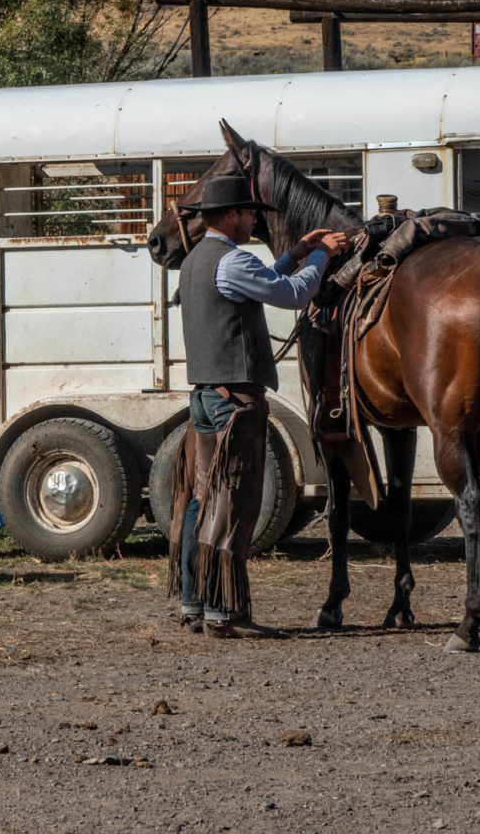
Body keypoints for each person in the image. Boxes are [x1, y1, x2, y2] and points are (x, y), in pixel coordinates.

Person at [173, 176, 348, 638]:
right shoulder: (233, 259)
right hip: (236, 401)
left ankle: (194, 603)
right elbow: (291, 294)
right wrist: (321, 256)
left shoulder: (196, 261)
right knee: (234, 501)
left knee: (200, 500)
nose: (253, 220)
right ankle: (225, 611)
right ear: (231, 215)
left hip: (206, 397)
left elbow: (267, 278)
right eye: (249, 213)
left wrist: (295, 253)